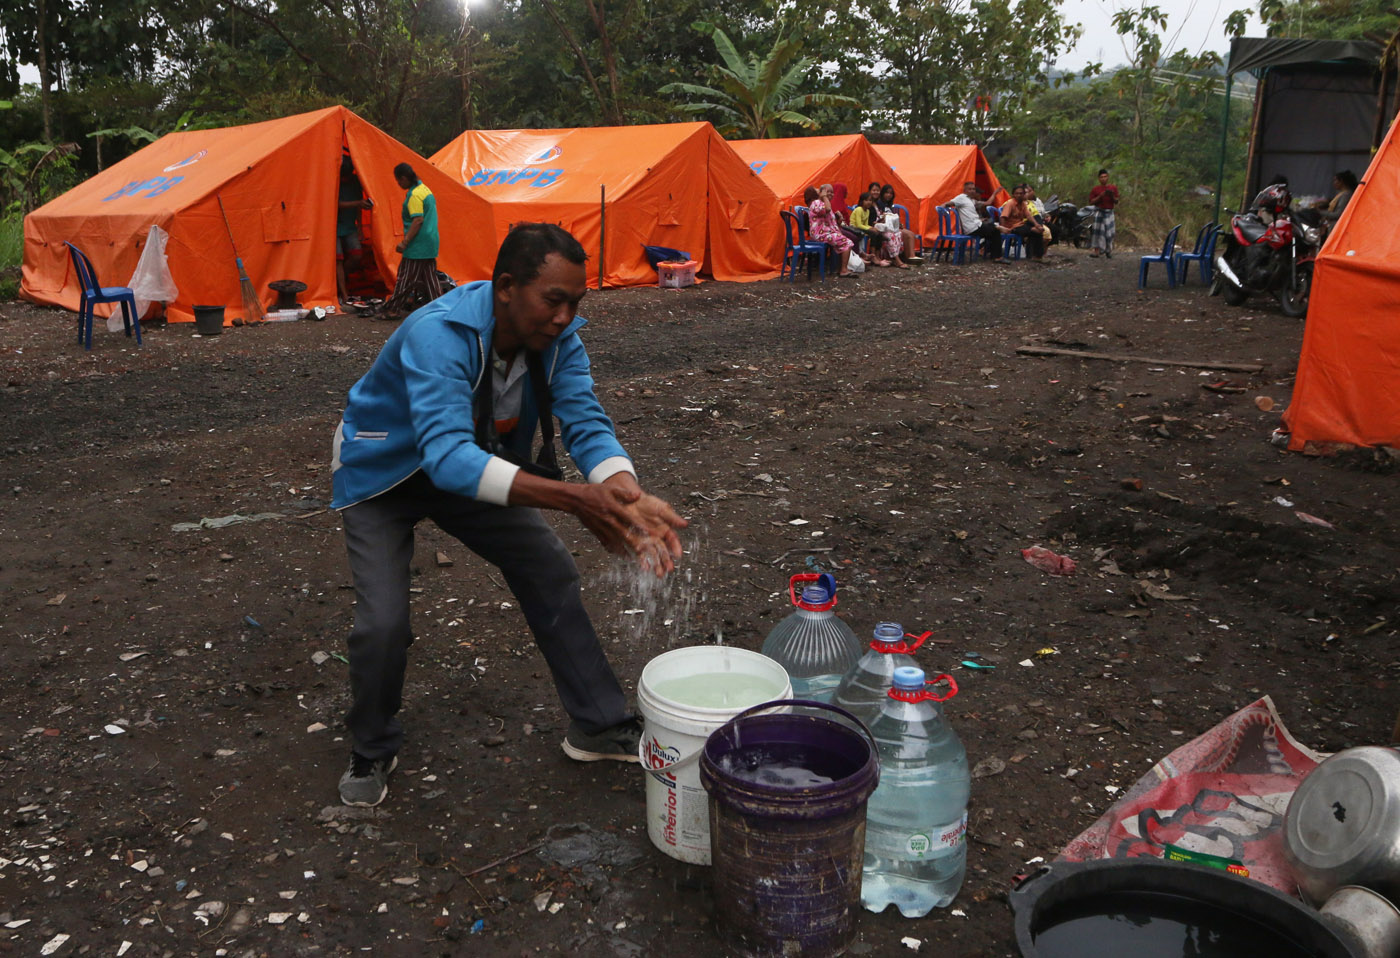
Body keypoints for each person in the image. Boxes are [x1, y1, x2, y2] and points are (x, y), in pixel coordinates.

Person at [330, 223, 689, 807]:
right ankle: (371, 746)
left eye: (576, 303)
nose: (565, 317)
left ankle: (598, 726)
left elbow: (584, 419)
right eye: (554, 300)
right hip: (384, 474)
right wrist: (576, 499)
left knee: (548, 569)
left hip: (471, 464)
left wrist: (621, 490)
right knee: (382, 623)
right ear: (505, 287)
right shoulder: (438, 332)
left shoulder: (559, 340)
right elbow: (446, 458)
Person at [382, 162, 442, 320]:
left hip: (418, 244)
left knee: (405, 277)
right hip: (430, 241)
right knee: (430, 279)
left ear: (403, 178)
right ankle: (441, 307)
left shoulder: (414, 195)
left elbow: (418, 220)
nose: (399, 184)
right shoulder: (425, 189)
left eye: (398, 181)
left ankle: (394, 309)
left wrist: (405, 242)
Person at [336, 155, 372, 307]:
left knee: (357, 255)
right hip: (334, 226)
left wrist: (360, 227)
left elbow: (359, 205)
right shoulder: (334, 181)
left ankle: (339, 279)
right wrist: (358, 203)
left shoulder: (356, 181)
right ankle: (344, 295)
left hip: (350, 225)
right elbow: (336, 204)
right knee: (338, 259)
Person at [807, 183, 858, 277]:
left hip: (826, 233)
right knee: (847, 242)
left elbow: (830, 223)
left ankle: (841, 268)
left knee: (844, 240)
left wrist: (839, 220)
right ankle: (843, 270)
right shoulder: (816, 203)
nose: (830, 194)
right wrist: (824, 197)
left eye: (832, 192)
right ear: (821, 193)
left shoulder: (825, 204)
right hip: (820, 234)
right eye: (828, 192)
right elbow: (827, 209)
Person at [948, 181, 1005, 262]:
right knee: (995, 231)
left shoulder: (971, 201)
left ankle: (991, 253)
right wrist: (942, 209)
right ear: (964, 190)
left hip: (977, 225)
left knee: (993, 233)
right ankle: (997, 256)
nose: (972, 191)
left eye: (973, 189)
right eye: (969, 189)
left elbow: (988, 203)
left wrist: (995, 193)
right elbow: (949, 203)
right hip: (972, 228)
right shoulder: (961, 198)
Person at [874, 185, 920, 264]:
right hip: (885, 227)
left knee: (911, 234)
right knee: (907, 234)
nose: (889, 195)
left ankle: (911, 256)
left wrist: (898, 223)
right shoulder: (878, 204)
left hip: (892, 227)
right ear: (882, 193)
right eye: (887, 193)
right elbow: (879, 218)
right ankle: (910, 257)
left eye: (891, 193)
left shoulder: (888, 205)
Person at [999, 183, 1046, 260]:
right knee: (1035, 231)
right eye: (1017, 193)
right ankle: (1033, 254)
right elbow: (1003, 217)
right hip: (1012, 227)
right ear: (1013, 195)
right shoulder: (1010, 204)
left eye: (1021, 193)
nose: (1019, 195)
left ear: (1024, 194)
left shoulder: (1023, 204)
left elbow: (1029, 216)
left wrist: (1036, 224)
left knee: (1038, 231)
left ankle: (1037, 256)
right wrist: (1003, 229)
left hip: (1021, 225)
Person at [848, 192, 894, 267]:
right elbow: (858, 224)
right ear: (862, 201)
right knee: (874, 233)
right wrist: (871, 229)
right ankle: (873, 256)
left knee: (879, 233)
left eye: (870, 200)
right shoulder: (859, 209)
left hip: (862, 228)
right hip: (854, 228)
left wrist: (872, 228)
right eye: (866, 200)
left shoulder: (867, 211)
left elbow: (866, 224)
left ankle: (877, 256)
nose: (869, 202)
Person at [1087, 168, 1119, 258]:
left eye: (1105, 177)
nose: (1104, 179)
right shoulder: (1095, 189)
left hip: (1109, 212)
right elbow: (1091, 202)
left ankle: (1108, 251)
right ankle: (1096, 251)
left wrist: (1111, 195)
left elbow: (1116, 201)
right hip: (1099, 211)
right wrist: (1101, 196)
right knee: (1097, 232)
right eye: (1102, 177)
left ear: (1108, 177)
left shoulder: (1113, 188)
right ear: (1099, 179)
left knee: (1110, 233)